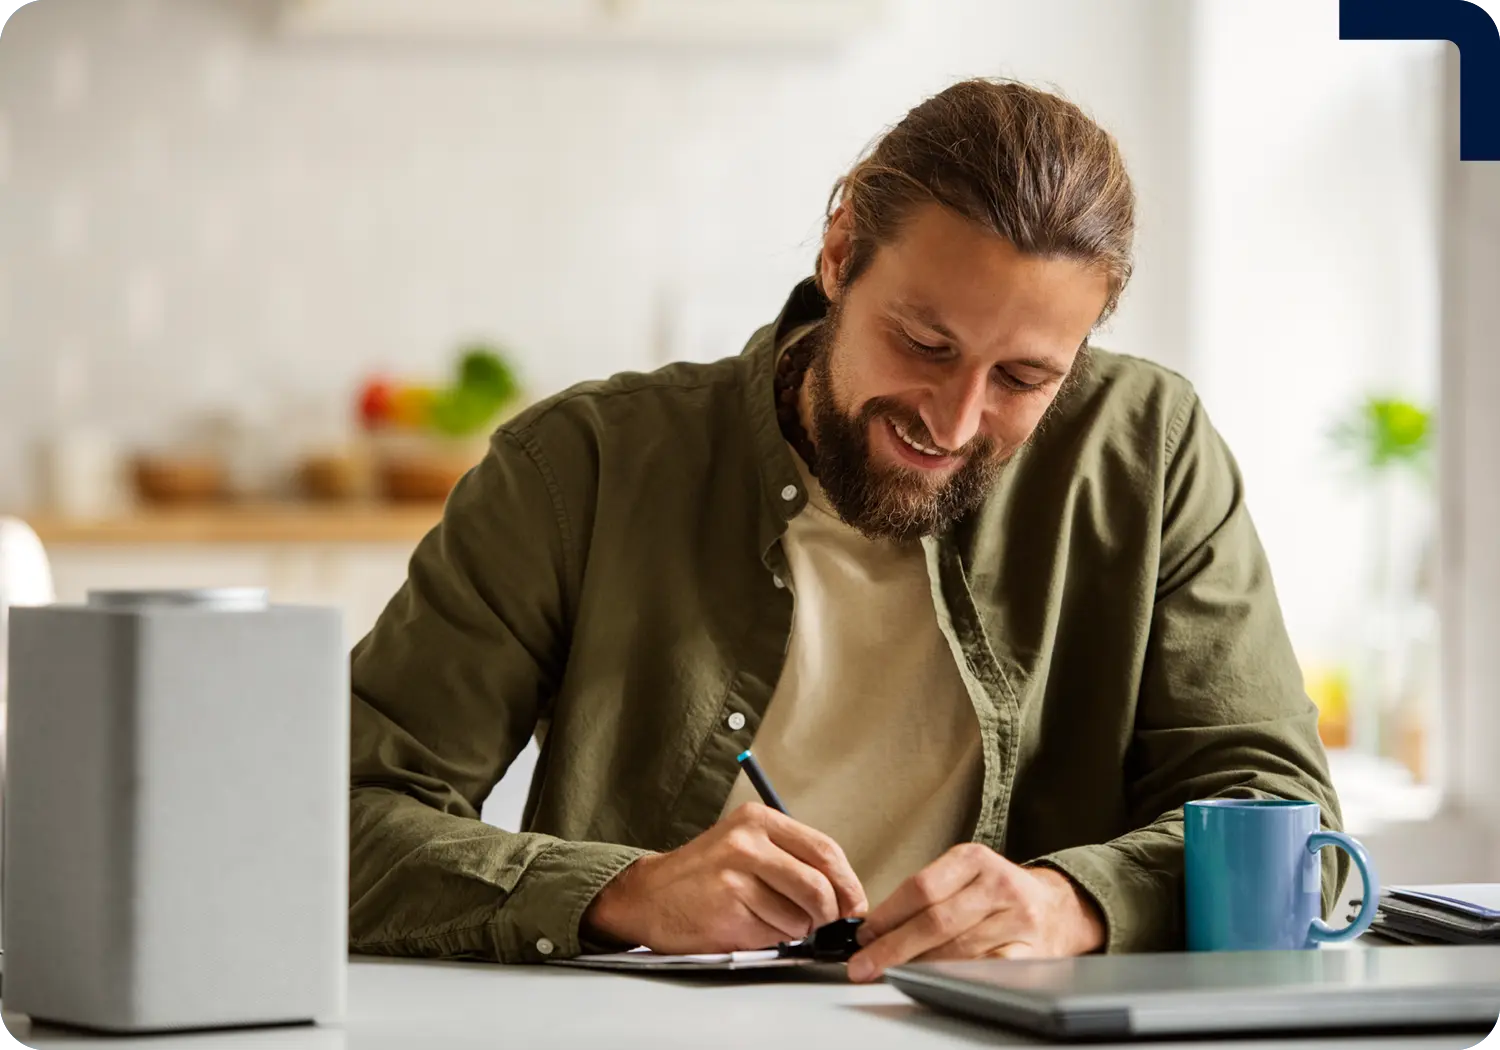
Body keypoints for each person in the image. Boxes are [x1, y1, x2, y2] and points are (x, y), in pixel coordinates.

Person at [347, 78, 1344, 984]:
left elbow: (1280, 823)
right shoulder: (581, 468)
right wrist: (621, 893)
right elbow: (330, 822)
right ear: (840, 252)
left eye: (1023, 378)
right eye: (924, 343)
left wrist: (1074, 902)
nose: (952, 423)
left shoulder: (1148, 451)